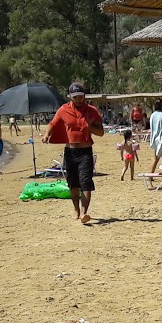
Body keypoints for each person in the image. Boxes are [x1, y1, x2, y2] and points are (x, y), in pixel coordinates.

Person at [45, 81, 106, 223]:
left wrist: (89, 127)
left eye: (81, 96)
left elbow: (101, 132)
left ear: (84, 95)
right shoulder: (63, 110)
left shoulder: (92, 111)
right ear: (70, 97)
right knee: (73, 183)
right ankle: (76, 209)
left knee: (85, 181)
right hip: (70, 151)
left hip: (86, 151)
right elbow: (52, 124)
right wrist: (46, 134)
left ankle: (85, 212)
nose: (79, 99)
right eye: (75, 97)